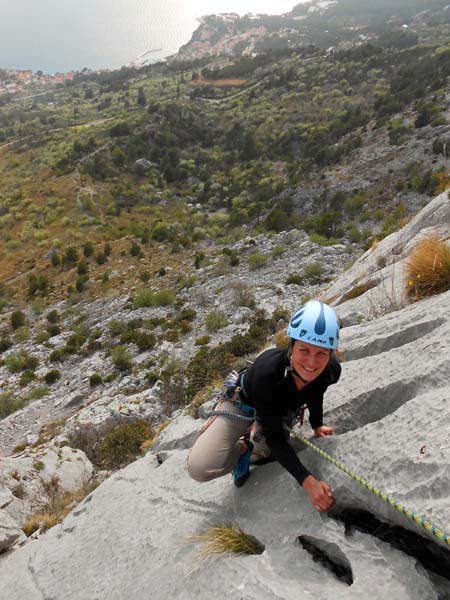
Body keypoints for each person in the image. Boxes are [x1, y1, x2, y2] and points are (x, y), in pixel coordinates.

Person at [186, 300, 341, 513]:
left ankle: (248, 450)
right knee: (200, 467)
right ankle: (242, 449)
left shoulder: (330, 370)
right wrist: (308, 482)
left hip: (277, 410)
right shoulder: (269, 372)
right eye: (304, 350)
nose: (312, 362)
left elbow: (316, 392)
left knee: (271, 454)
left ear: (331, 353)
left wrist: (317, 424)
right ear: (291, 346)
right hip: (244, 404)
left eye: (321, 353)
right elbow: (275, 437)